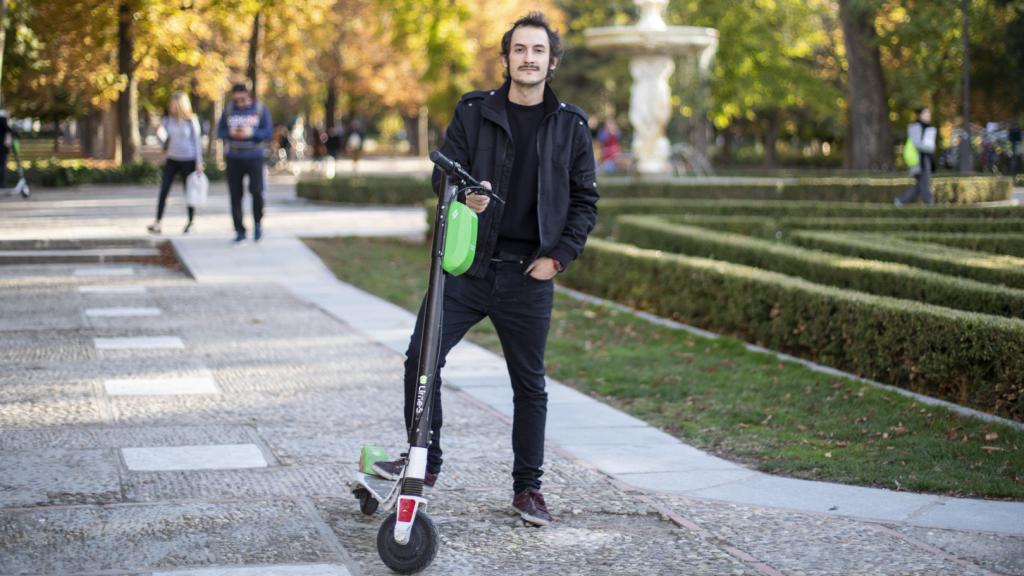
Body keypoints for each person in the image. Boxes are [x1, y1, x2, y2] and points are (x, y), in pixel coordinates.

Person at [372, 11, 599, 527]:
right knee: (420, 360)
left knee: (529, 385)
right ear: (506, 58)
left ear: (552, 61)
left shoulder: (571, 126)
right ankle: (423, 461)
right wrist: (461, 195)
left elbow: (585, 200)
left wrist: (559, 257)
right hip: (466, 268)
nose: (528, 58)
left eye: (538, 51)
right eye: (519, 49)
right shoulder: (474, 112)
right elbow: (441, 175)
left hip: (528, 275)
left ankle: (528, 489)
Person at [217, 83, 272, 243]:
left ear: (248, 96)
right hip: (234, 157)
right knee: (235, 195)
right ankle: (239, 229)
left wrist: (252, 132)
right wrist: (230, 133)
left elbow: (268, 132)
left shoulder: (260, 109)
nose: (239, 103)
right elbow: (220, 131)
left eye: (242, 99)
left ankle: (257, 224)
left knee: (257, 192)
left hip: (255, 156)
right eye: (236, 100)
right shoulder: (228, 110)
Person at [148, 92, 203, 234]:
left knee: (189, 192)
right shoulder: (167, 120)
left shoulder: (191, 121)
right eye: (171, 104)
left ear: (181, 105)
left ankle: (191, 222)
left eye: (174, 104)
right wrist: (158, 131)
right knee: (164, 189)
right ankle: (158, 222)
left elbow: (197, 142)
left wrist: (199, 162)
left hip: (188, 160)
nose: (171, 107)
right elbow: (163, 141)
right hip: (172, 159)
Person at [895, 107, 937, 206]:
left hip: (925, 160)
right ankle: (929, 203)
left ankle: (901, 201)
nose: (928, 116)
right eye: (926, 113)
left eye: (929, 114)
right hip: (918, 161)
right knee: (924, 184)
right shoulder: (916, 127)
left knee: (920, 185)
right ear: (920, 115)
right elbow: (917, 144)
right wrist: (931, 148)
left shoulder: (927, 128)